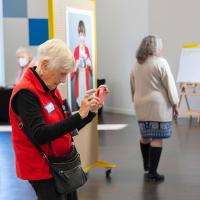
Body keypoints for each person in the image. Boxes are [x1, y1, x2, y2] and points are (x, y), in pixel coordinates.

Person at [9, 39, 105, 200]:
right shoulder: (25, 93)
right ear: (45, 65)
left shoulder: (50, 88)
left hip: (62, 164)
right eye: (62, 73)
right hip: (43, 169)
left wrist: (90, 112)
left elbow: (65, 128)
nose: (63, 80)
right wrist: (79, 115)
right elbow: (40, 135)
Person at [130, 35, 179, 182]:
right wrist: (175, 103)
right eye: (160, 45)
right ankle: (152, 172)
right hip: (158, 106)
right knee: (157, 138)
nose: (162, 48)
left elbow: (133, 85)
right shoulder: (161, 62)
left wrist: (134, 99)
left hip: (140, 104)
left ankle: (147, 164)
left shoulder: (135, 64)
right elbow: (169, 85)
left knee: (145, 136)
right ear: (154, 47)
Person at [71, 20, 93, 108]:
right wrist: (76, 65)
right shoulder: (76, 49)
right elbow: (71, 75)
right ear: (78, 35)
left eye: (83, 35)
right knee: (79, 99)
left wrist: (90, 64)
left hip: (85, 77)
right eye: (80, 34)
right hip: (79, 78)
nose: (82, 37)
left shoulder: (87, 49)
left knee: (86, 97)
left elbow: (92, 72)